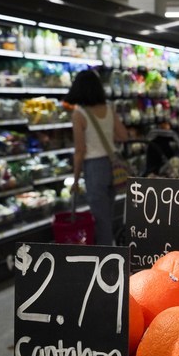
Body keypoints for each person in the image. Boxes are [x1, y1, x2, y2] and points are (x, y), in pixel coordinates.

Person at [65, 69, 128, 245]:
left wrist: (75, 179)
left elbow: (80, 150)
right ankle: (112, 250)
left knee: (101, 219)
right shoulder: (109, 109)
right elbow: (123, 136)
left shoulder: (79, 114)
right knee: (107, 214)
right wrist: (107, 137)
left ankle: (107, 255)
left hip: (94, 168)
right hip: (112, 165)